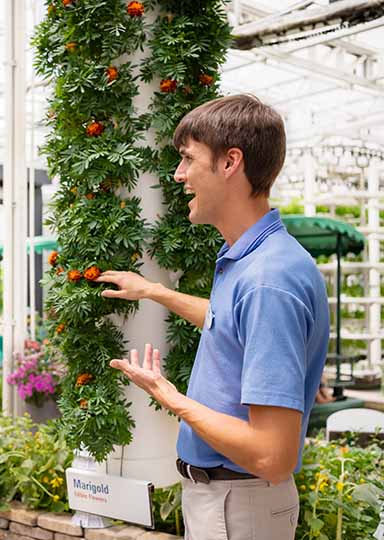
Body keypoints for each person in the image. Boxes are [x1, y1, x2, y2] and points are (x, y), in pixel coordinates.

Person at [97, 94, 329, 540]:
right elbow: (233, 323)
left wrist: (169, 396)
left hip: (238, 507)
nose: (179, 174)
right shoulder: (254, 259)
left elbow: (272, 455)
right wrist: (155, 291)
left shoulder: (268, 281)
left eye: (187, 158)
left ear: (230, 163)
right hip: (229, 502)